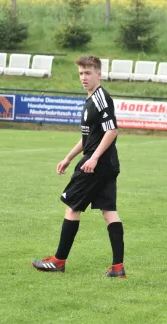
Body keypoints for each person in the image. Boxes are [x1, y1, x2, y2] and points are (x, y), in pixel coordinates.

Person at [31, 55, 126, 278]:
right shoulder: (91, 99)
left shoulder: (101, 98)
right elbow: (88, 137)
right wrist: (68, 157)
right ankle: (118, 268)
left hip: (96, 165)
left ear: (99, 74)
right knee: (109, 211)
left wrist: (92, 159)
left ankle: (58, 261)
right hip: (107, 164)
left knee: (72, 206)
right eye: (81, 73)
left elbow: (112, 130)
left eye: (88, 73)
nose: (84, 77)